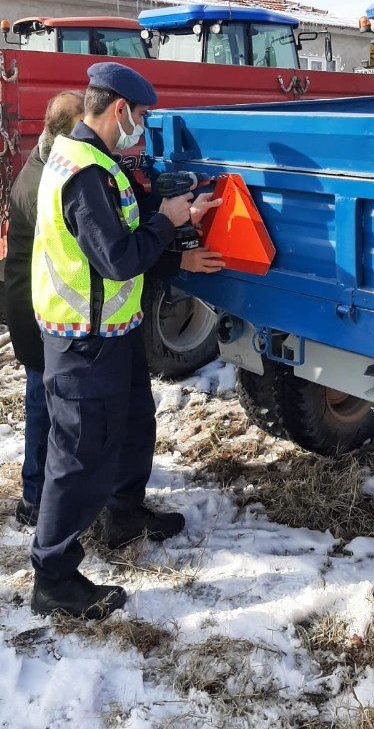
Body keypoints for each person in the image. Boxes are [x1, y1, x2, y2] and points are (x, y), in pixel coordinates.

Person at [30, 62, 223, 619]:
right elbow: (117, 258)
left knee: (136, 423)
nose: (142, 125)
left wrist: (178, 237)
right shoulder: (85, 172)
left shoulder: (90, 159)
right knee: (78, 457)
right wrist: (166, 221)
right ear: (120, 110)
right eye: (140, 116)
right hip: (83, 343)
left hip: (111, 334)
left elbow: (121, 235)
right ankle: (54, 577)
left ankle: (125, 514)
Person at [5, 91, 85, 526]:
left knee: (44, 399)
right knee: (42, 402)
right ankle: (34, 496)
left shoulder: (43, 163)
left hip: (31, 301)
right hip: (35, 308)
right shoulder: (46, 182)